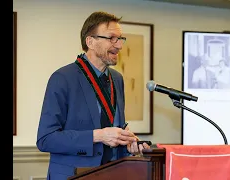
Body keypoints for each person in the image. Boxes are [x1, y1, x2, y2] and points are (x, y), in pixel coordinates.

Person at [36, 11, 150, 180]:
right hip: (72, 176)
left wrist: (128, 143)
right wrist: (99, 135)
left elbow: (112, 129)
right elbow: (46, 139)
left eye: (120, 39)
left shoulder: (117, 79)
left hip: (112, 174)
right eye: (112, 38)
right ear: (90, 41)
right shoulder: (62, 78)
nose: (119, 45)